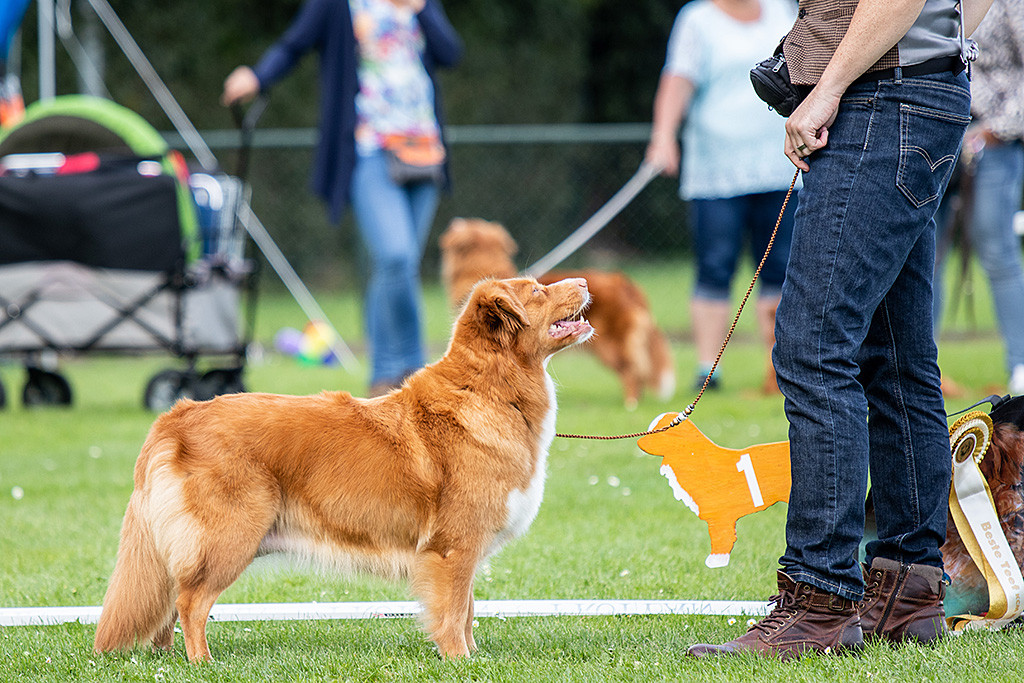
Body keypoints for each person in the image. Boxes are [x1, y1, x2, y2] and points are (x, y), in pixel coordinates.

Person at [688, 0, 994, 659]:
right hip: (921, 93)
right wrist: (938, 52)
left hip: (883, 102)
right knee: (896, 352)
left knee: (814, 346)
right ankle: (906, 589)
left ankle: (819, 597)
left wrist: (828, 89)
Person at [222, 0, 462, 396]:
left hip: (425, 152)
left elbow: (450, 54)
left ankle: (398, 377)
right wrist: (258, 76)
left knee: (396, 269)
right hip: (367, 150)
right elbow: (293, 44)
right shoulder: (337, 4)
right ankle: (404, 372)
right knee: (395, 257)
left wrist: (421, 8)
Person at [645, 0, 798, 394]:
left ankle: (778, 367)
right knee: (714, 267)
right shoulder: (697, 19)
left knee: (782, 269)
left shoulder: (783, 11)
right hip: (716, 171)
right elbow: (677, 80)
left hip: (780, 167)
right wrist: (663, 137)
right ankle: (707, 369)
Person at [933, 0, 1024, 396]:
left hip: (994, 139)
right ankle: (921, 367)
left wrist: (999, 128)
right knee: (922, 253)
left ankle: (1020, 364)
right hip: (935, 129)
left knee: (996, 250)